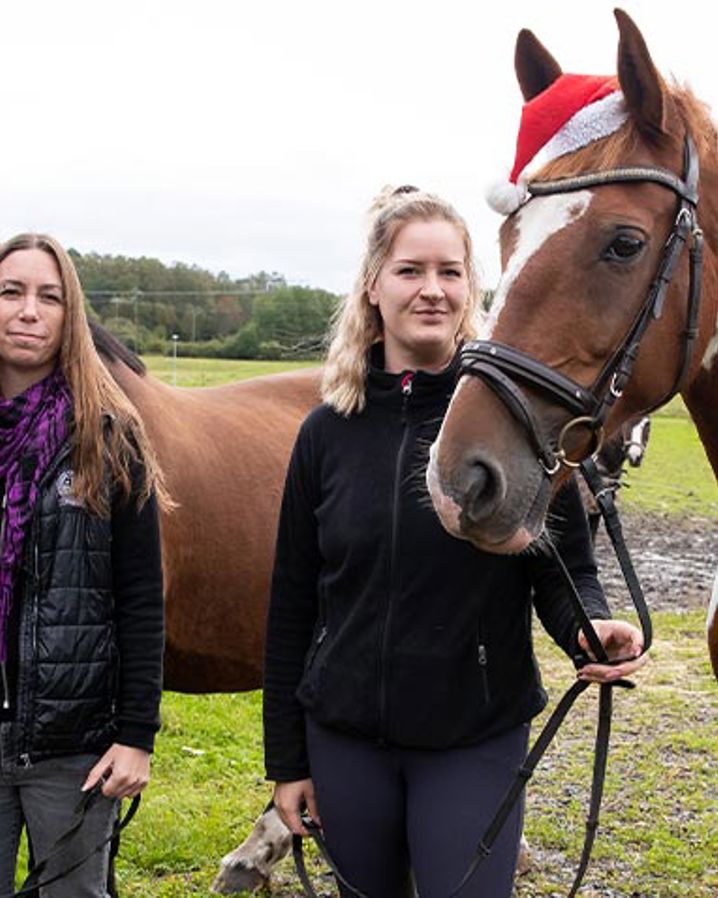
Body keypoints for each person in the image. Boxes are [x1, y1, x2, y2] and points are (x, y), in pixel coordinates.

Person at [263, 187, 646, 898]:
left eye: (450, 272)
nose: (432, 290)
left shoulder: (520, 425)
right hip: (346, 741)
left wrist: (589, 629)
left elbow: (563, 575)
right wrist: (287, 761)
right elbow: (291, 604)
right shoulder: (326, 433)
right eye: (410, 271)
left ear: (472, 287)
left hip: (472, 740)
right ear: (373, 286)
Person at [0, 233, 168, 898]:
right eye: (11, 292)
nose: (28, 311)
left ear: (72, 316)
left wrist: (137, 736)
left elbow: (141, 596)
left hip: (73, 746)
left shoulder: (109, 436)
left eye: (50, 297)